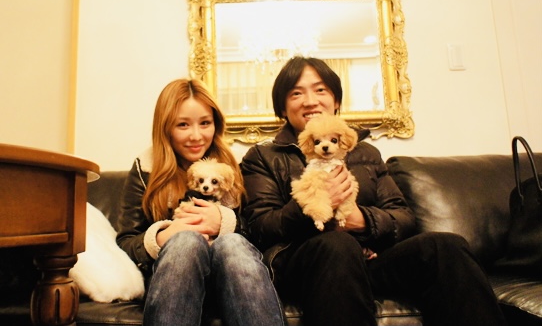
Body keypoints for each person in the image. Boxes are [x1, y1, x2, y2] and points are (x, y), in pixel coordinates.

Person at [240, 56, 507, 326]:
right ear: (283, 108)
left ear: (336, 101)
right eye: (296, 93)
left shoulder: (366, 153)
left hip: (369, 259)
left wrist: (362, 220)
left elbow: (402, 217)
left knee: (444, 245)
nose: (310, 101)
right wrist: (313, 209)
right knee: (337, 245)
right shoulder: (264, 156)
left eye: (320, 90)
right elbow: (260, 226)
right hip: (305, 262)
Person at [116, 78, 285, 326]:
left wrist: (225, 222)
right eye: (183, 124)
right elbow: (126, 242)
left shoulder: (238, 164)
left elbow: (262, 229)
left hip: (234, 279)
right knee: (186, 242)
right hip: (175, 280)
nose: (196, 136)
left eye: (205, 123)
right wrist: (163, 236)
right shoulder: (147, 168)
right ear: (165, 127)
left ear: (216, 124)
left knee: (232, 244)